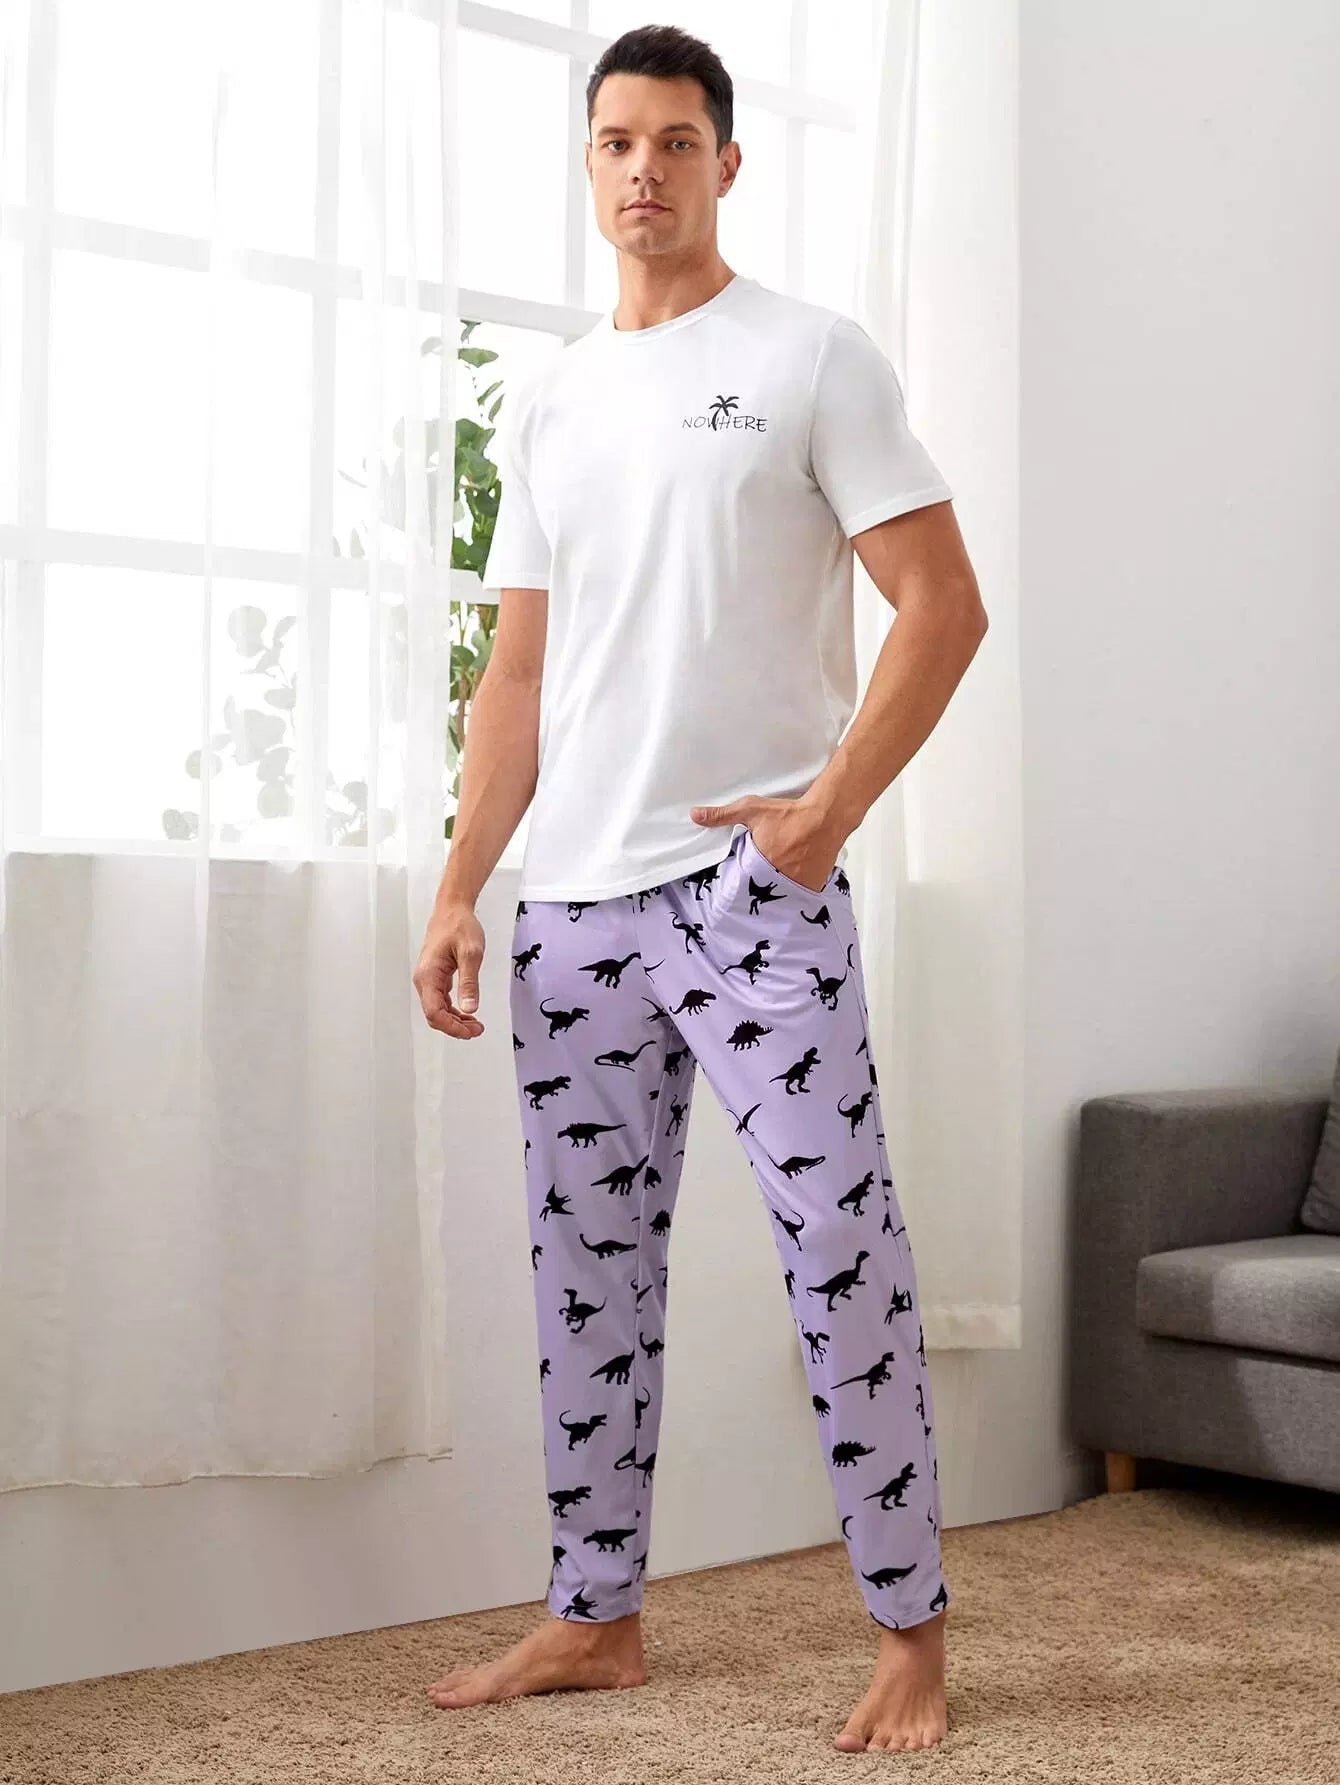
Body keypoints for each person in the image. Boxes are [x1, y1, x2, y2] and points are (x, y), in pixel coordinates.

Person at [414, 21, 986, 1758]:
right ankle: (595, 1615)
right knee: (585, 1276)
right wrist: (462, 883)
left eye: (675, 141)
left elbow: (944, 605)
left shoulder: (811, 356)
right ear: (588, 166)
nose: (644, 170)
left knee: (842, 1249)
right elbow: (517, 676)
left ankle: (911, 1631)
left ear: (727, 163)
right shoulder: (549, 397)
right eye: (617, 142)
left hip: (750, 898)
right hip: (573, 913)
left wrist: (819, 818)